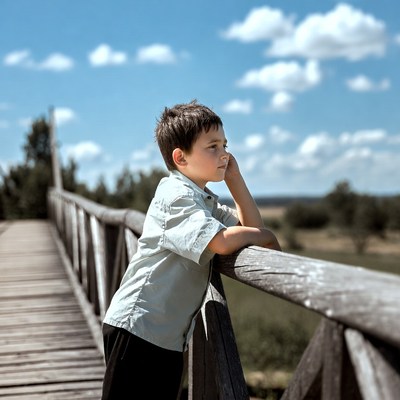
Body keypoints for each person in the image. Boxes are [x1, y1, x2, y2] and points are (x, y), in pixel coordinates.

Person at [101, 100, 281, 399]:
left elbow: (247, 225)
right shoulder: (175, 196)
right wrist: (267, 235)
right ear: (180, 158)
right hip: (138, 330)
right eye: (213, 146)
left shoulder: (203, 200)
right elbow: (221, 241)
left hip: (167, 338)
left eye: (225, 144)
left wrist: (235, 180)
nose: (224, 153)